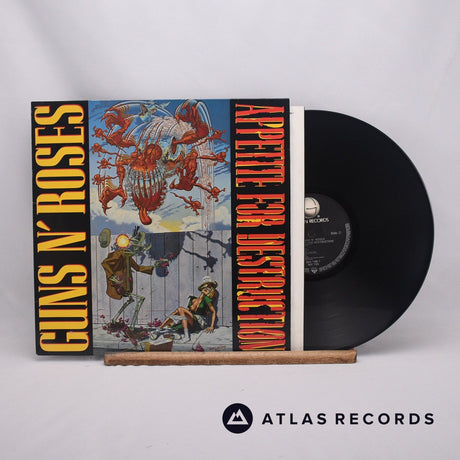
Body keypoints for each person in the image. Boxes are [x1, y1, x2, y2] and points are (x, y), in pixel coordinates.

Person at [159, 278, 217, 342]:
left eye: (208, 287)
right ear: (201, 288)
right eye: (205, 286)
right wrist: (179, 314)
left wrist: (212, 326)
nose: (206, 288)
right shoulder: (193, 299)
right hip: (190, 320)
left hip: (199, 322)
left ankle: (187, 337)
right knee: (178, 310)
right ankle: (160, 328)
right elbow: (186, 311)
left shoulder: (206, 299)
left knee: (180, 309)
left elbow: (214, 311)